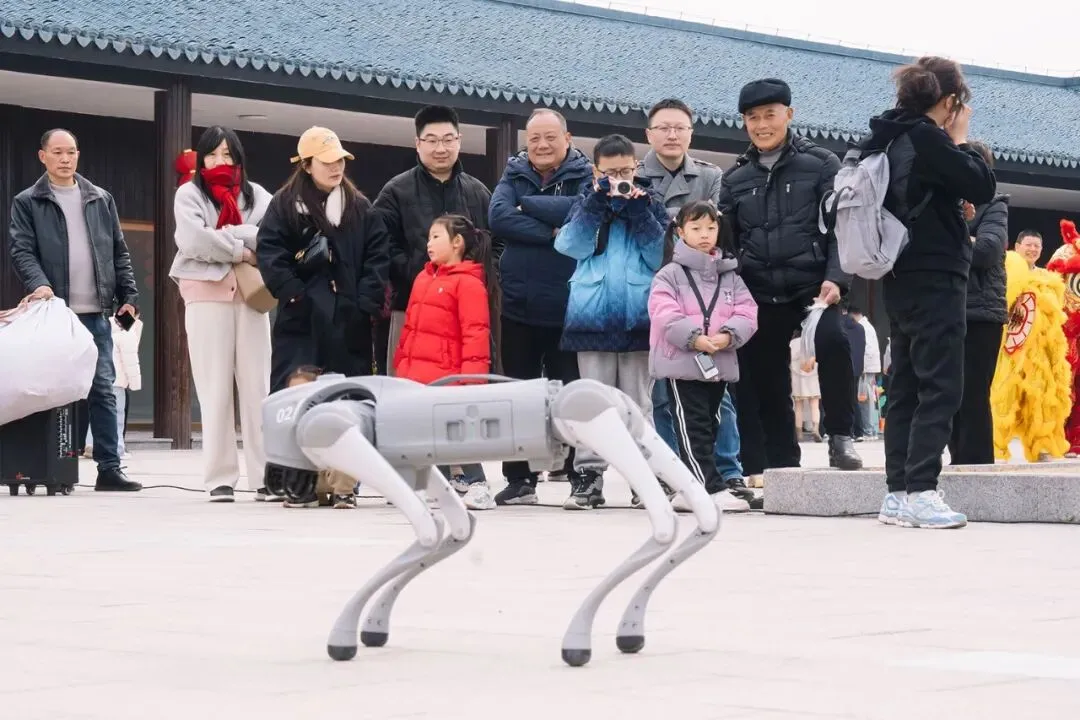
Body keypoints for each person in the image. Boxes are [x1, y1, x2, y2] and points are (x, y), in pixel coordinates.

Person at [863, 56, 996, 529]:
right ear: (949, 100)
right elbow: (982, 183)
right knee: (941, 383)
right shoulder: (928, 137)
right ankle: (922, 489)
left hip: (896, 272)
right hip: (936, 272)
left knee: (904, 384)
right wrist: (958, 138)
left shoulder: (885, 134)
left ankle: (897, 494)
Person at [717, 79, 863, 484]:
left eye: (770, 115)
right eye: (753, 117)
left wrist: (836, 278)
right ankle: (778, 462)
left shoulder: (822, 163)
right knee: (762, 374)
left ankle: (840, 436)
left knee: (835, 340)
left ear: (789, 115)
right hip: (759, 288)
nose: (762, 125)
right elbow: (728, 243)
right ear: (744, 122)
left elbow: (840, 228)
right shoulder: (734, 178)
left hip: (812, 287)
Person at [8, 128, 141, 491]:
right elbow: (21, 250)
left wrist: (129, 295)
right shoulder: (28, 201)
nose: (65, 159)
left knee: (102, 389)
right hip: (56, 315)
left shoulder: (100, 198)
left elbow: (118, 251)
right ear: (43, 156)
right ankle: (47, 468)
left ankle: (109, 469)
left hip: (96, 312)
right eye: (57, 152)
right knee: (50, 390)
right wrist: (40, 285)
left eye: (71, 152)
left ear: (78, 155)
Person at [636, 98, 752, 504]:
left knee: (718, 398)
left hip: (709, 290)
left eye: (680, 128)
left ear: (690, 132)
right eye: (663, 128)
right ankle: (675, 476)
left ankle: (727, 470)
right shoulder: (634, 177)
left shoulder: (710, 174)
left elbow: (710, 222)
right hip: (655, 285)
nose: (672, 135)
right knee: (665, 397)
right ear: (649, 134)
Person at [553, 134, 668, 510]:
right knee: (593, 402)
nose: (619, 178)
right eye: (610, 172)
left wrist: (639, 212)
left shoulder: (651, 202)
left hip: (639, 315)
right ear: (595, 171)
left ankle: (645, 476)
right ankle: (588, 476)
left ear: (636, 167)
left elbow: (662, 256)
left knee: (640, 403)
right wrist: (596, 204)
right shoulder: (585, 201)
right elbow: (568, 246)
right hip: (592, 316)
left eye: (625, 171)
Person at [488, 108, 593, 505]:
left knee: (573, 396)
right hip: (519, 304)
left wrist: (527, 206)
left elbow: (584, 214)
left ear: (568, 138)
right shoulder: (513, 174)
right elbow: (499, 218)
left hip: (570, 305)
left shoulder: (585, 175)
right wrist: (553, 231)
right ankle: (519, 479)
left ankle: (579, 475)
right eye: (534, 138)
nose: (542, 145)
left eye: (550, 137)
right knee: (519, 395)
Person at [171, 126, 275, 502]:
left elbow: (269, 237)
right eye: (213, 154)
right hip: (205, 296)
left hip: (250, 297)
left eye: (228, 154)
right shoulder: (189, 194)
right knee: (213, 388)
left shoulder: (258, 195)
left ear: (239, 158)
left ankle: (266, 476)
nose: (220, 161)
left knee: (257, 387)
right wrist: (240, 247)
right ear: (201, 159)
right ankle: (220, 477)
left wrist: (223, 236)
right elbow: (192, 240)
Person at [257, 126, 390, 392]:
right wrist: (294, 293)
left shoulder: (359, 206)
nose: (336, 167)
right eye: (327, 162)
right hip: (301, 321)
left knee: (349, 397)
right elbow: (269, 252)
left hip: (350, 322)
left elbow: (378, 255)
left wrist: (364, 303)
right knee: (296, 395)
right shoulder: (285, 205)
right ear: (306, 165)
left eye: (339, 160)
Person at [648, 201, 758, 512]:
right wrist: (694, 338)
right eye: (696, 228)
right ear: (680, 232)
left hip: (717, 362)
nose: (705, 234)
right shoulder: (669, 274)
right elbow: (663, 313)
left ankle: (689, 489)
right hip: (682, 362)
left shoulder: (729, 275)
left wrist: (729, 335)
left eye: (711, 227)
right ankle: (708, 488)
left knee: (710, 425)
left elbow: (747, 311)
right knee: (692, 426)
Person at [394, 214, 501, 510]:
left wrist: (471, 381)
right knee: (429, 436)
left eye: (436, 237)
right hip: (418, 375)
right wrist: (402, 368)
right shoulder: (423, 278)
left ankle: (478, 485)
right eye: (428, 237)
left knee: (457, 436)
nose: (429, 244)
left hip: (450, 377)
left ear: (457, 242)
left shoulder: (468, 284)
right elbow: (410, 329)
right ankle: (438, 487)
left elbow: (475, 335)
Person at [376, 105, 491, 374]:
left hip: (465, 313)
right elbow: (380, 243)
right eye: (432, 140)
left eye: (448, 140)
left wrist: (480, 276)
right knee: (406, 384)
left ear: (459, 140)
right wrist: (417, 275)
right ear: (418, 143)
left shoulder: (478, 192)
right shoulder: (395, 191)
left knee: (463, 385)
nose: (441, 148)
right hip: (411, 308)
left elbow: (496, 242)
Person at [949, 141, 1008, 465]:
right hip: (948, 309)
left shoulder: (994, 206)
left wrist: (950, 241)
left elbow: (987, 251)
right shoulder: (943, 204)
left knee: (973, 392)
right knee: (948, 392)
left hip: (982, 314)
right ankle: (958, 460)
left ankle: (977, 465)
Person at [282, 365, 359, 509]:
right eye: (293, 392)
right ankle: (307, 494)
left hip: (335, 473)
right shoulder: (287, 417)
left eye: (304, 391)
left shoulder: (333, 411)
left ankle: (343, 493)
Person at [85, 313, 142, 460]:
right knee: (117, 417)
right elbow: (131, 361)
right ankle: (118, 448)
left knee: (97, 413)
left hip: (100, 379)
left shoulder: (103, 329)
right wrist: (135, 384)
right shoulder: (126, 333)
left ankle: (91, 444)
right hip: (118, 381)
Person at [848, 305, 882, 440]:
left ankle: (868, 430)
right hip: (869, 367)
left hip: (866, 368)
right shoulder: (867, 326)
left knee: (865, 399)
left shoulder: (862, 327)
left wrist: (861, 368)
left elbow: (865, 350)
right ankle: (870, 429)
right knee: (868, 398)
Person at [790, 335, 821, 441]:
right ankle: (815, 429)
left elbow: (789, 360)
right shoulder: (813, 342)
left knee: (798, 407)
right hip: (812, 377)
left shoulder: (793, 343)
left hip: (797, 379)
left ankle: (799, 433)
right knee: (815, 406)